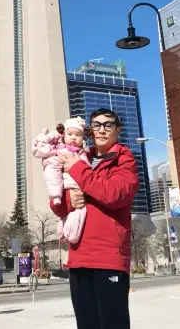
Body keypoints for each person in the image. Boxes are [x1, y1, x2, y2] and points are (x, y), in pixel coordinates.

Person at [52, 108, 139, 329]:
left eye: (108, 125)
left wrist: (78, 169)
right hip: (79, 256)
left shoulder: (124, 160)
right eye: (96, 125)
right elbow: (56, 202)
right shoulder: (80, 157)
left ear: (118, 129)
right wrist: (70, 201)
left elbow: (114, 194)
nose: (101, 130)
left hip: (109, 258)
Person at [31, 117, 89, 243]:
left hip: (77, 186)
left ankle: (70, 232)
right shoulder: (60, 149)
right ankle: (65, 229)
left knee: (79, 211)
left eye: (78, 135)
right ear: (64, 135)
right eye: (70, 134)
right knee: (52, 170)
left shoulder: (84, 152)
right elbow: (41, 149)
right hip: (65, 185)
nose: (73, 137)